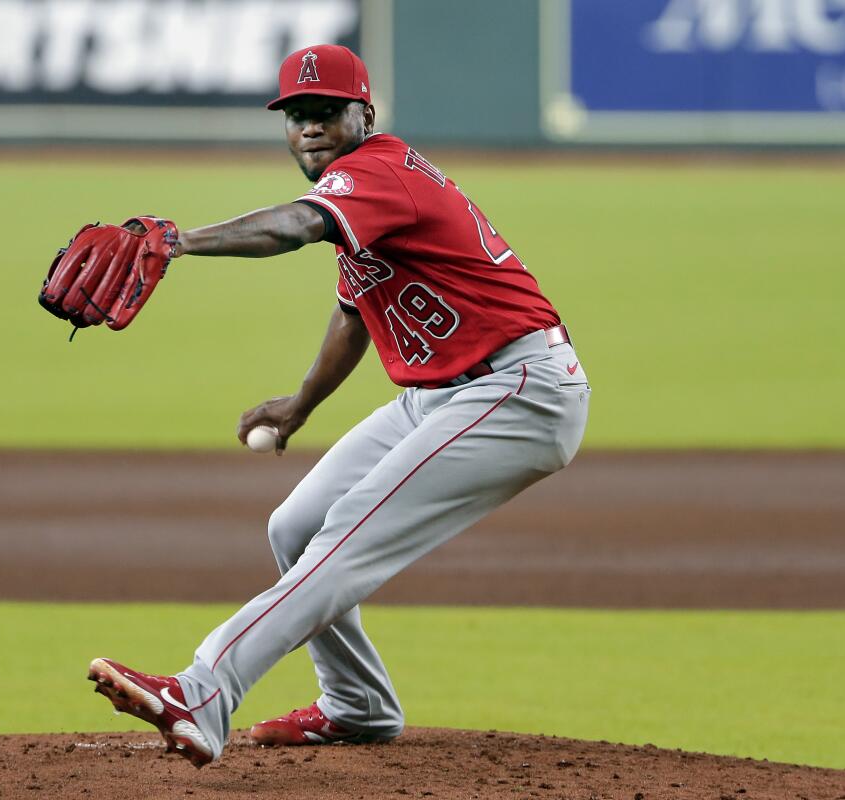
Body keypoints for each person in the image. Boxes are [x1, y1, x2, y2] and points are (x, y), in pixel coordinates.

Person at [87, 44, 591, 768]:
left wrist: (181, 240)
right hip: (445, 393)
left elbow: (292, 227)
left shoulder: (376, 172)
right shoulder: (357, 188)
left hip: (519, 389)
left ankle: (204, 689)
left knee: (346, 537)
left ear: (365, 114)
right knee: (294, 526)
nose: (311, 128)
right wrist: (300, 405)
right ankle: (357, 705)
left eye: (327, 113)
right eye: (297, 116)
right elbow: (354, 314)